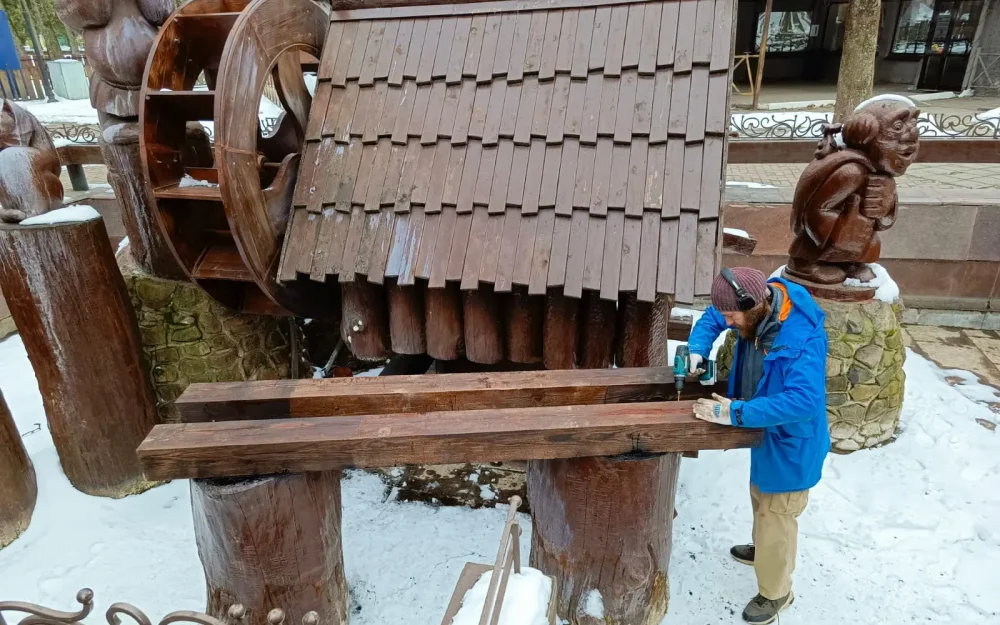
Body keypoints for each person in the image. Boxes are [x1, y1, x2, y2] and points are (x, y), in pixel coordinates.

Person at [686, 267, 830, 624]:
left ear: (754, 304)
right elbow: (712, 317)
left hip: (792, 443)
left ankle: (777, 592)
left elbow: (803, 401)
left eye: (733, 315)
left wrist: (735, 412)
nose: (728, 322)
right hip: (764, 429)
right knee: (760, 496)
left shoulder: (800, 338)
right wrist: (696, 348)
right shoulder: (753, 306)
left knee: (777, 517)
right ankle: (762, 550)